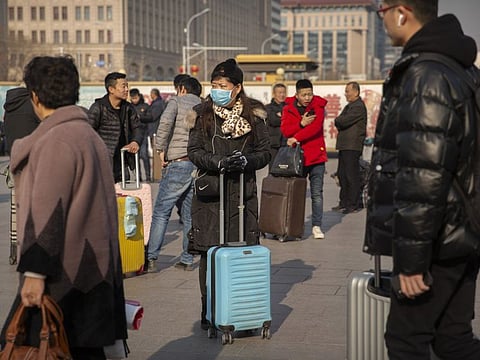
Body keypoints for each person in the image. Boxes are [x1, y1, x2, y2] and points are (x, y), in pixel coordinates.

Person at [365, 1, 480, 359]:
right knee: (453, 338)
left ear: (402, 11)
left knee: (406, 341)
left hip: (436, 241)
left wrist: (413, 261)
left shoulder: (425, 74)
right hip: (461, 233)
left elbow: (423, 174)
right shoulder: (459, 69)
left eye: (381, 8)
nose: (379, 16)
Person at [1, 56, 127, 359]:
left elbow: (48, 211)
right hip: (94, 271)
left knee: (43, 346)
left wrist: (34, 272)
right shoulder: (87, 135)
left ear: (35, 95)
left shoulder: (57, 139)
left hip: (65, 278)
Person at [187, 58, 270, 330]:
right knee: (209, 253)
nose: (217, 90)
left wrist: (247, 162)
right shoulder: (202, 114)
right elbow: (194, 151)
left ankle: (237, 309)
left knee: (241, 250)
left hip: (241, 196)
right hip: (210, 194)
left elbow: (265, 151)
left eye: (222, 85)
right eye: (213, 85)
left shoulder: (254, 115)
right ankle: (208, 309)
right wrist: (218, 162)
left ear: (237, 88)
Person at [146, 76, 203, 273]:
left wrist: (160, 151)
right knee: (189, 215)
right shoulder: (204, 106)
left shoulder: (176, 102)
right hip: (196, 164)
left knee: (162, 212)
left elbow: (164, 126)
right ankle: (187, 260)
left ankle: (151, 258)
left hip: (178, 162)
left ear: (181, 89)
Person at [281, 79, 328, 239]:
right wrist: (300, 124)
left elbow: (315, 128)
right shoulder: (288, 108)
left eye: (310, 94)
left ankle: (316, 225)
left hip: (317, 157)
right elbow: (286, 131)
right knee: (296, 194)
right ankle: (295, 227)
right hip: (297, 158)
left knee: (317, 193)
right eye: (304, 94)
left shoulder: (318, 107)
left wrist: (296, 137)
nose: (307, 97)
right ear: (297, 94)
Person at [87, 72, 144, 183]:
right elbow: (88, 133)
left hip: (123, 162)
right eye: (123, 86)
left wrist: (135, 142)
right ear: (111, 89)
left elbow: (138, 127)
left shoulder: (128, 108)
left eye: (127, 86)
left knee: (123, 196)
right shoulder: (98, 108)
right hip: (103, 163)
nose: (127, 89)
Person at [332, 81, 367, 214]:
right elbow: (340, 121)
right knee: (342, 174)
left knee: (351, 175)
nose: (346, 94)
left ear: (356, 92)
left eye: (348, 91)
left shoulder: (358, 107)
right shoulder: (350, 106)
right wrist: (339, 121)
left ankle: (353, 204)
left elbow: (342, 121)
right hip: (345, 145)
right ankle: (344, 202)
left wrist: (339, 120)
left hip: (352, 145)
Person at [130, 88, 153, 181]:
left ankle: (148, 176)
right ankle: (138, 177)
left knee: (144, 155)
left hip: (143, 134)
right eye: (132, 98)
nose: (134, 100)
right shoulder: (129, 107)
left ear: (139, 96)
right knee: (136, 156)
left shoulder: (145, 106)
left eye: (135, 98)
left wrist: (141, 117)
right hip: (133, 135)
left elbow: (150, 117)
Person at [265, 83, 287, 170]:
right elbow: (273, 120)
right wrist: (285, 117)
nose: (282, 95)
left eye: (283, 92)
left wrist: (281, 115)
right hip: (274, 144)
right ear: (274, 94)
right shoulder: (268, 108)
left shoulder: (289, 107)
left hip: (286, 144)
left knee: (286, 169)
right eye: (279, 92)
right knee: (273, 169)